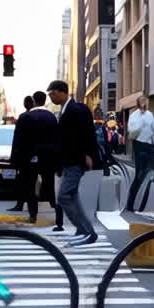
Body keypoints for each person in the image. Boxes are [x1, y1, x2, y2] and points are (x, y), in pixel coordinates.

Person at [47, 80, 99, 246]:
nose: (51, 97)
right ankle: (83, 231)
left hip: (75, 160)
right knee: (72, 195)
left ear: (62, 92)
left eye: (53, 94)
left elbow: (84, 134)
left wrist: (87, 155)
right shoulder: (66, 109)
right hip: (69, 160)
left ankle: (87, 231)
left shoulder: (76, 109)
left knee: (64, 196)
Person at [26, 91, 64, 229]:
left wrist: (17, 160)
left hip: (31, 158)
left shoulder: (27, 117)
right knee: (50, 185)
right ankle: (56, 212)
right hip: (49, 157)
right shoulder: (52, 117)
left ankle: (33, 215)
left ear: (34, 101)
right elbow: (58, 139)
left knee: (31, 186)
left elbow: (20, 140)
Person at [125, 95, 154, 212]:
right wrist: (141, 121)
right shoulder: (134, 115)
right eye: (142, 101)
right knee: (139, 174)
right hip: (139, 145)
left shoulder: (149, 114)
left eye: (146, 101)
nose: (144, 103)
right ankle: (130, 204)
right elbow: (131, 130)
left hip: (150, 146)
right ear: (138, 103)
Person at [7, 95, 37, 212]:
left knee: (22, 182)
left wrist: (14, 158)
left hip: (23, 156)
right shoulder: (37, 116)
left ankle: (21, 205)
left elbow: (17, 139)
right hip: (34, 156)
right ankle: (29, 206)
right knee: (31, 183)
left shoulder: (23, 117)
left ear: (25, 105)